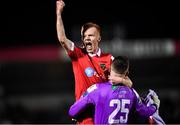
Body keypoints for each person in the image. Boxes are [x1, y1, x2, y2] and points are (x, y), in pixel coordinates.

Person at [56, 0, 133, 124]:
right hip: (85, 114)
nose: (87, 38)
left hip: (104, 114)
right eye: (85, 36)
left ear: (99, 38)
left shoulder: (109, 59)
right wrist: (58, 14)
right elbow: (62, 39)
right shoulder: (78, 55)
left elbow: (129, 84)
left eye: (91, 35)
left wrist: (121, 80)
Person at [69, 56, 161, 124]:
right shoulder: (132, 93)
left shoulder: (97, 89)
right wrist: (155, 105)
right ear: (127, 73)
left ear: (110, 70)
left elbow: (72, 111)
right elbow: (145, 112)